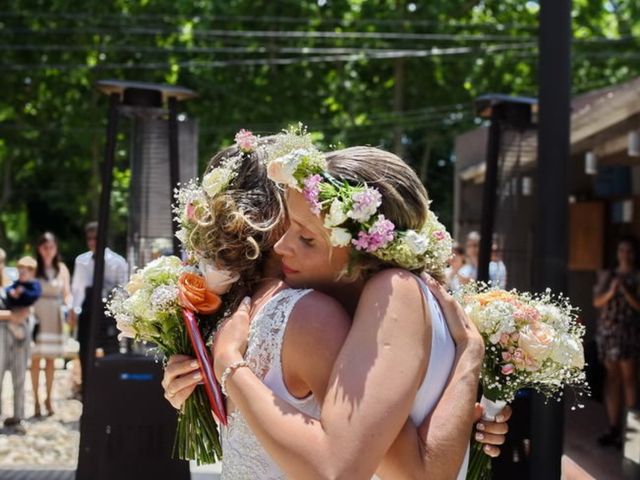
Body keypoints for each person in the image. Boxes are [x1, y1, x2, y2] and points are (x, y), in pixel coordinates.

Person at [163, 138, 510, 478]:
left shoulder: (390, 293)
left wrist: (229, 365)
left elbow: (357, 470)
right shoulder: (360, 307)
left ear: (364, 248)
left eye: (306, 237)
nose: (283, 246)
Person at [593, 236, 640, 448]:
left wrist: (626, 292)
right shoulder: (609, 275)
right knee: (612, 378)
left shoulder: (637, 276)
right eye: (622, 250)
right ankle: (613, 427)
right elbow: (597, 301)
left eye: (629, 251)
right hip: (609, 331)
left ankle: (632, 434)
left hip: (628, 331)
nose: (625, 255)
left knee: (629, 379)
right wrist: (612, 290)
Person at [69, 222, 128, 389]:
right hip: (88, 310)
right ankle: (86, 390)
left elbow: (123, 288)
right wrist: (73, 309)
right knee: (85, 351)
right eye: (89, 239)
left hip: (108, 312)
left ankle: (113, 388)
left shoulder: (118, 262)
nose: (93, 242)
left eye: (96, 238)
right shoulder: (82, 261)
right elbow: (77, 288)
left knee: (111, 351)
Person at [30, 233, 72, 417]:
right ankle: (36, 401)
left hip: (54, 317)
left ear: (56, 249)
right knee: (35, 360)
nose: (48, 251)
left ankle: (48, 398)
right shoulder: (33, 267)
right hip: (37, 317)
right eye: (45, 247)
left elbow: (67, 294)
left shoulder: (61, 269)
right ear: (39, 248)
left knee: (50, 361)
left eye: (51, 247)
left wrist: (71, 310)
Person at [0, 249, 32, 433]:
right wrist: (11, 316)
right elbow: (15, 313)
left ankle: (19, 416)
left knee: (19, 377)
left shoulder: (15, 280)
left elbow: (28, 306)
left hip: (19, 335)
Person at [4, 256, 41, 340]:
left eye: (23, 273)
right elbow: (8, 288)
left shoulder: (35, 284)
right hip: (15, 309)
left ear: (32, 273)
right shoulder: (17, 283)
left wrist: (24, 291)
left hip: (26, 311)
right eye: (19, 273)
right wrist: (11, 292)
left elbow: (35, 295)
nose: (21, 275)